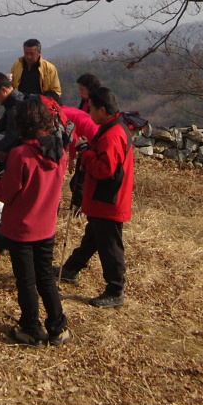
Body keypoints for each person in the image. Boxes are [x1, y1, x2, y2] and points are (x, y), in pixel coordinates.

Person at [0, 97, 70, 345]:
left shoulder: (21, 154)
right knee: (45, 276)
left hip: (21, 227)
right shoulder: (58, 152)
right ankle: (58, 326)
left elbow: (8, 191)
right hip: (46, 225)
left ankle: (31, 328)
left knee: (26, 280)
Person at [58, 87, 134, 308]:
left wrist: (85, 151)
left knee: (110, 246)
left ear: (103, 109)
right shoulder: (112, 127)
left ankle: (115, 289)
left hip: (108, 199)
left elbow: (104, 170)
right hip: (106, 198)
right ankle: (71, 269)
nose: (88, 112)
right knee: (93, 236)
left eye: (91, 108)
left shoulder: (112, 135)